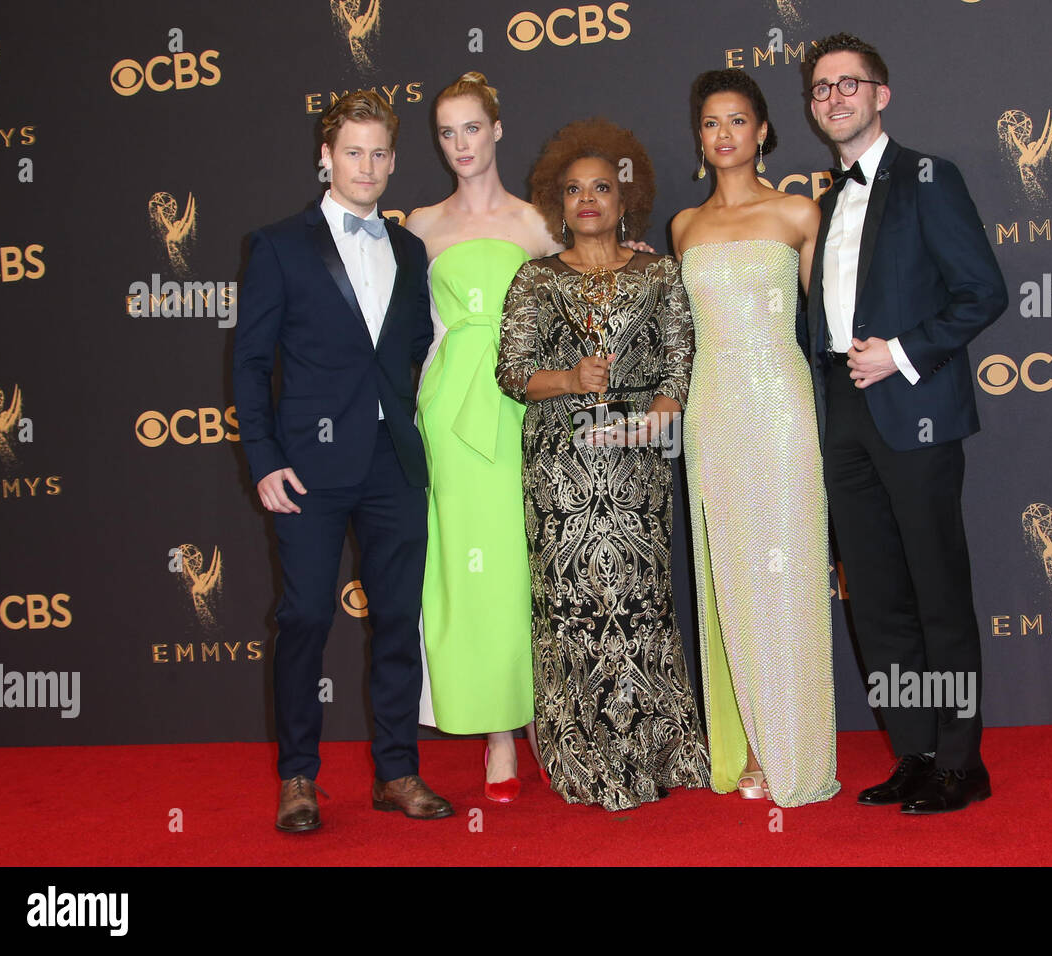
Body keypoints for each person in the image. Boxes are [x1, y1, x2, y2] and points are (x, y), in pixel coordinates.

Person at [233, 90, 452, 831]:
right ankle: (298, 777)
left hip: (393, 461)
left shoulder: (411, 249)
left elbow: (412, 350)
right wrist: (263, 458)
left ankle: (396, 772)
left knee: (398, 619)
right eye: (352, 152)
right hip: (309, 468)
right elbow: (250, 363)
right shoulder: (278, 245)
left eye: (379, 152)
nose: (367, 166)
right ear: (325, 158)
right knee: (302, 617)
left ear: (394, 159)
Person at [802, 33, 1007, 813]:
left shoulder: (930, 178)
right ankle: (915, 752)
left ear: (881, 94)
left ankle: (963, 760)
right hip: (844, 411)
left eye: (849, 84)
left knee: (935, 590)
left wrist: (902, 353)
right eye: (821, 89)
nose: (835, 98)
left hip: (914, 404)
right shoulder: (826, 202)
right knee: (878, 598)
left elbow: (982, 292)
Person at [496, 119, 710, 811]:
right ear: (558, 205)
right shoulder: (534, 278)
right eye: (573, 190)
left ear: (626, 200)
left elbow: (681, 363)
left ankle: (657, 744)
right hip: (561, 467)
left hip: (639, 464)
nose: (588, 200)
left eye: (602, 188)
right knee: (572, 608)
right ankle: (581, 747)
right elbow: (512, 371)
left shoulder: (659, 273)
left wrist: (659, 416)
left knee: (641, 605)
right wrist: (570, 378)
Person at [672, 69, 841, 808]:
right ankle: (748, 747)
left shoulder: (800, 214)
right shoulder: (684, 227)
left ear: (764, 131)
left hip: (782, 411)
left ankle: (791, 752)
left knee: (789, 579)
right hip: (713, 414)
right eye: (711, 123)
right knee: (730, 580)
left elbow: (827, 330)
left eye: (738, 120)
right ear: (700, 138)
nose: (725, 134)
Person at [405, 73, 562, 803]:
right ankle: (496, 734)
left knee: (523, 562)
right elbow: (400, 332)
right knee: (468, 567)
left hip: (520, 405)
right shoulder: (419, 225)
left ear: (497, 130)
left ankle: (542, 720)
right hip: (449, 408)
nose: (460, 145)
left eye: (472, 128)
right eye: (446, 132)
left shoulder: (536, 223)